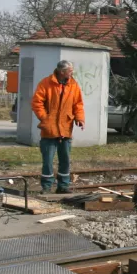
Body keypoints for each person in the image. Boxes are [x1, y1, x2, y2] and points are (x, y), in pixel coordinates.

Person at [31, 60, 85, 194]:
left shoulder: (74, 85)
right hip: (49, 130)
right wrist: (45, 118)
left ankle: (63, 186)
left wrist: (80, 118)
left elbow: (78, 104)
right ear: (62, 72)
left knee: (65, 159)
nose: (72, 73)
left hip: (66, 128)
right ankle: (47, 187)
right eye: (70, 70)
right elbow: (37, 103)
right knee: (48, 160)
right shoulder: (45, 83)